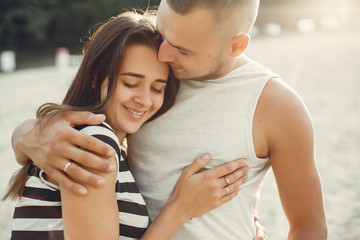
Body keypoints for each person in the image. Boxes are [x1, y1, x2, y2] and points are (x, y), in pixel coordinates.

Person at [11, 0, 327, 239]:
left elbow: (308, 228)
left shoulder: (277, 106)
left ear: (236, 45)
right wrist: (27, 133)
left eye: (182, 50)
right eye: (163, 34)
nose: (163, 53)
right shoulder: (151, 66)